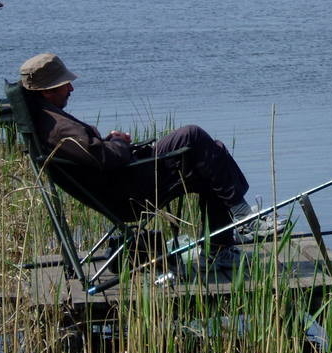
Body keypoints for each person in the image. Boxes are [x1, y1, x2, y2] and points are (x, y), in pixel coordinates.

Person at [18, 53, 281, 262]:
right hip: (129, 194)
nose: (71, 88)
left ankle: (221, 247)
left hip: (124, 182)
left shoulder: (46, 118)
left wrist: (111, 141)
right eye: (65, 84)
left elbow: (95, 155)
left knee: (213, 156)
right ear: (46, 91)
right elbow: (107, 160)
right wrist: (119, 141)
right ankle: (243, 220)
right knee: (194, 135)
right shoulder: (58, 128)